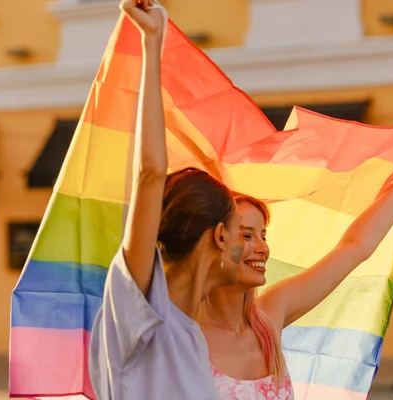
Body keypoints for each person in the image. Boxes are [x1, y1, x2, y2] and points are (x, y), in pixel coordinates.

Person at [199, 129, 393, 399]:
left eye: (263, 236)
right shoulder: (185, 336)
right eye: (247, 235)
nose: (262, 248)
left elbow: (355, 247)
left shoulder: (269, 316)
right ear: (217, 241)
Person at [88, 1, 244, 399]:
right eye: (242, 230)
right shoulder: (140, 305)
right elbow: (150, 173)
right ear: (220, 237)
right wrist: (151, 42)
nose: (252, 245)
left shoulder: (190, 334)